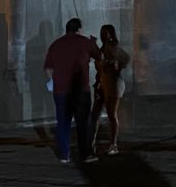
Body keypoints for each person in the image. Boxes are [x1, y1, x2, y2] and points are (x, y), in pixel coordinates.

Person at [44, 17, 99, 164]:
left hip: (60, 90)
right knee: (83, 122)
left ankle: (64, 154)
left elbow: (48, 67)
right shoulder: (85, 42)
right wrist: (93, 41)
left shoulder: (55, 45)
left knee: (63, 122)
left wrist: (51, 82)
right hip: (80, 90)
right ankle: (86, 154)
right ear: (79, 29)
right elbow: (98, 55)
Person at [89, 24, 130, 156]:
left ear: (110, 34)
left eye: (105, 33)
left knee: (111, 114)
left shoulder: (114, 49)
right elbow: (97, 59)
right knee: (94, 115)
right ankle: (91, 143)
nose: (102, 35)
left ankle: (113, 144)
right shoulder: (101, 49)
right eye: (101, 32)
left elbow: (126, 59)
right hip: (101, 85)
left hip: (113, 85)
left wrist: (118, 65)